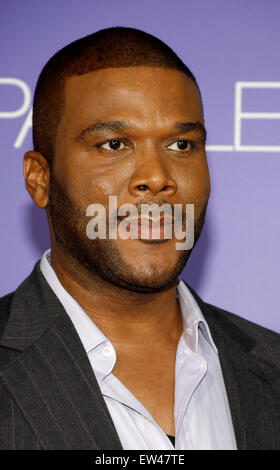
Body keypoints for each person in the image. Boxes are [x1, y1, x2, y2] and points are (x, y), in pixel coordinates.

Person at [0, 27, 279, 451]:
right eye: (114, 144)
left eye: (182, 144)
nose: (157, 177)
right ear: (40, 179)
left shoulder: (271, 363)